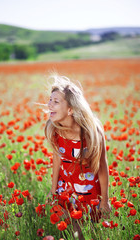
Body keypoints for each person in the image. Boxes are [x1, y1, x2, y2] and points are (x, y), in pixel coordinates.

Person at [45, 74, 111, 239]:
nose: (49, 104)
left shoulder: (91, 134)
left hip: (88, 191)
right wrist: (53, 191)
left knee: (85, 234)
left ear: (70, 109)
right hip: (65, 189)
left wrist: (105, 201)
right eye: (50, 99)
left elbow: (102, 166)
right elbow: (57, 159)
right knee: (69, 232)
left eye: (56, 101)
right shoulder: (54, 129)